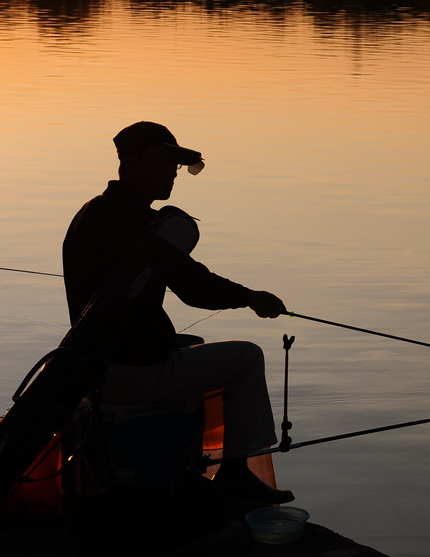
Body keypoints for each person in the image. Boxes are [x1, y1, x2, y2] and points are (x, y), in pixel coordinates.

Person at [62, 121, 293, 505]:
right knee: (246, 358)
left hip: (95, 369)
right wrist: (251, 297)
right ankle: (235, 475)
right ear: (129, 162)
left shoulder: (96, 211)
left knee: (195, 349)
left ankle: (194, 464)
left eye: (175, 164)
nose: (171, 172)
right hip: (130, 372)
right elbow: (194, 286)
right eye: (161, 161)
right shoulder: (135, 222)